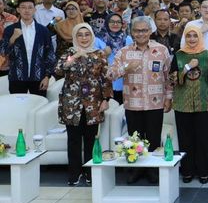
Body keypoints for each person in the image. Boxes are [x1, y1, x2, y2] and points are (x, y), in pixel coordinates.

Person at [109, 16, 173, 184]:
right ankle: (136, 169)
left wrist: (168, 97)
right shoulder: (124, 52)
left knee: (153, 137)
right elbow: (111, 74)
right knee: (134, 138)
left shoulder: (161, 50)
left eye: (144, 30)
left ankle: (153, 170)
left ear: (150, 31)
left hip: (155, 102)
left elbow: (168, 77)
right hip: (133, 102)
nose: (141, 33)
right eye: (137, 30)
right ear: (132, 32)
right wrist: (125, 68)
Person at [54, 23, 112, 185]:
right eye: (80, 35)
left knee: (90, 139)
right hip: (72, 104)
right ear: (75, 37)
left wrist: (106, 100)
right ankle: (74, 174)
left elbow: (106, 78)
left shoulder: (99, 54)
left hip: (93, 103)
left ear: (92, 36)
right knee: (73, 140)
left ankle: (90, 173)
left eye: (87, 34)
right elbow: (58, 70)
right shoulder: (69, 53)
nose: (84, 38)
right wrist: (74, 58)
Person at [170, 25, 208, 184]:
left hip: (204, 103)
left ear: (200, 37)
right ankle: (187, 172)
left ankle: (203, 172)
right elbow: (172, 80)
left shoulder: (207, 55)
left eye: (195, 36)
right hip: (182, 104)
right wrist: (186, 68)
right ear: (185, 37)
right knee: (185, 139)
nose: (192, 39)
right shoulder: (178, 56)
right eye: (189, 36)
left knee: (202, 138)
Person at [0, 0, 55, 95]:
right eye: (23, 7)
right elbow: (3, 52)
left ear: (34, 10)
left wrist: (47, 76)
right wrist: (13, 39)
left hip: (39, 77)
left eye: (30, 7)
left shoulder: (43, 30)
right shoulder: (10, 29)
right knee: (18, 107)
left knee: (39, 107)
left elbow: (50, 54)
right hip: (17, 77)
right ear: (18, 10)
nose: (27, 10)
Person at [101, 13, 132, 105]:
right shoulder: (98, 39)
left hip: (123, 81)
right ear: (107, 23)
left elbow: (131, 60)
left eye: (118, 22)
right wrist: (103, 54)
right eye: (112, 22)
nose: (115, 24)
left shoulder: (127, 39)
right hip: (105, 82)